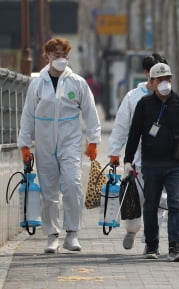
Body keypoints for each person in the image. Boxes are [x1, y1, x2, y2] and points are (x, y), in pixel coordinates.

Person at [17, 37, 101, 253]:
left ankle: (72, 233)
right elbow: (27, 116)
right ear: (47, 57)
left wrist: (93, 141)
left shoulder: (77, 83)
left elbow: (90, 113)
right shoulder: (37, 84)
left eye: (64, 55)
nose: (61, 59)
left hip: (70, 142)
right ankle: (52, 235)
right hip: (44, 144)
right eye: (56, 55)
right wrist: (25, 145)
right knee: (49, 192)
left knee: (73, 185)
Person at [124, 63, 179, 262]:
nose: (164, 82)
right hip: (151, 164)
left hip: (177, 164)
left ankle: (175, 247)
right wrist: (127, 160)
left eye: (167, 78)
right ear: (152, 82)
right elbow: (134, 134)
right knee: (150, 205)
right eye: (160, 79)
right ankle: (151, 245)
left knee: (176, 203)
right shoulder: (144, 105)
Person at [108, 53, 169, 250]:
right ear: (146, 74)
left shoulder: (170, 97)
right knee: (135, 197)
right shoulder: (133, 97)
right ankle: (132, 230)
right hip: (138, 159)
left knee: (159, 200)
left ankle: (150, 241)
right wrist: (114, 152)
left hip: (163, 158)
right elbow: (121, 125)